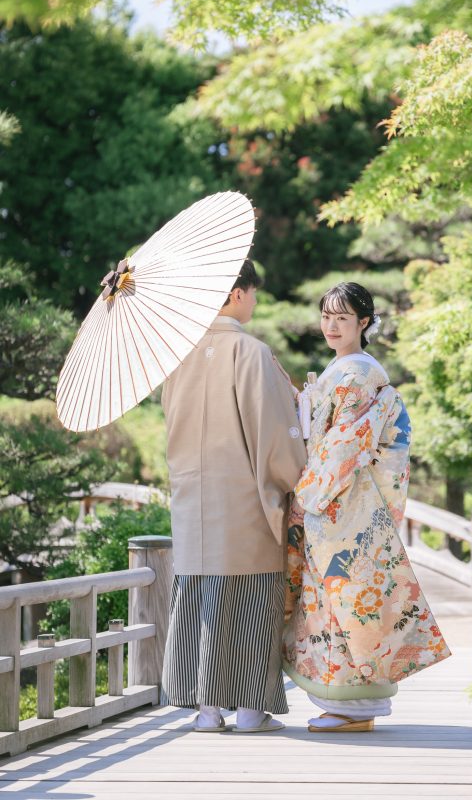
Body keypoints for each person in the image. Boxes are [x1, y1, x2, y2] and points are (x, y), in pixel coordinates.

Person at [283, 282, 451, 732]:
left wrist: (308, 493)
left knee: (347, 603)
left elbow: (343, 445)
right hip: (342, 499)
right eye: (326, 316)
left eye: (342, 317)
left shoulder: (356, 373)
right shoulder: (343, 368)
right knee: (337, 604)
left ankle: (353, 708)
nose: (332, 325)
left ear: (363, 322)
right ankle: (347, 705)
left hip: (342, 501)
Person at [160, 259, 307, 733]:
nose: (256, 300)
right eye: (253, 292)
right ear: (237, 294)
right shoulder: (251, 351)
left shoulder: (175, 357)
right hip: (244, 500)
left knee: (200, 600)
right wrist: (295, 477)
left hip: (191, 499)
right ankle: (249, 711)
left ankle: (206, 711)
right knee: (250, 600)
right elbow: (274, 433)